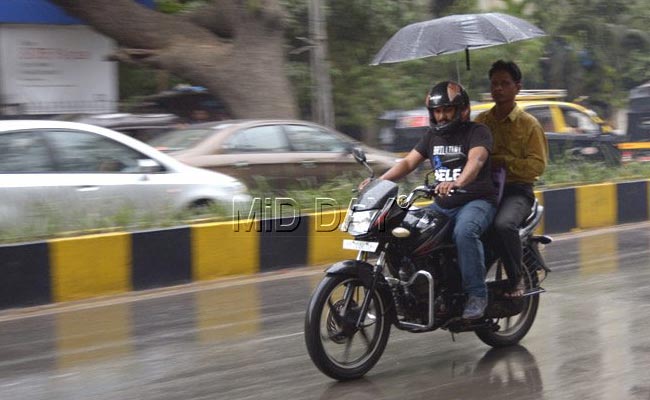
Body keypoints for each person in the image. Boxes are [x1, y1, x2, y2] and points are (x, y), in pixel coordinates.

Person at [364, 81, 498, 319]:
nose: (442, 116)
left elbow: (475, 162)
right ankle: (419, 291)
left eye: (447, 110)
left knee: (464, 233)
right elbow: (407, 163)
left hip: (476, 202)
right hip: (443, 205)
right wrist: (379, 181)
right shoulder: (431, 137)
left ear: (461, 110)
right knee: (407, 232)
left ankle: (477, 295)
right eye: (437, 111)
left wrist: (457, 183)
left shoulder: (477, 132)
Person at [474, 60, 548, 298]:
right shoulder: (480, 122)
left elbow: (537, 166)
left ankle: (516, 280)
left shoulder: (529, 125)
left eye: (504, 83)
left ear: (517, 87)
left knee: (503, 225)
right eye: (494, 84)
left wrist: (503, 162)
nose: (498, 89)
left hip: (516, 191)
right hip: (483, 190)